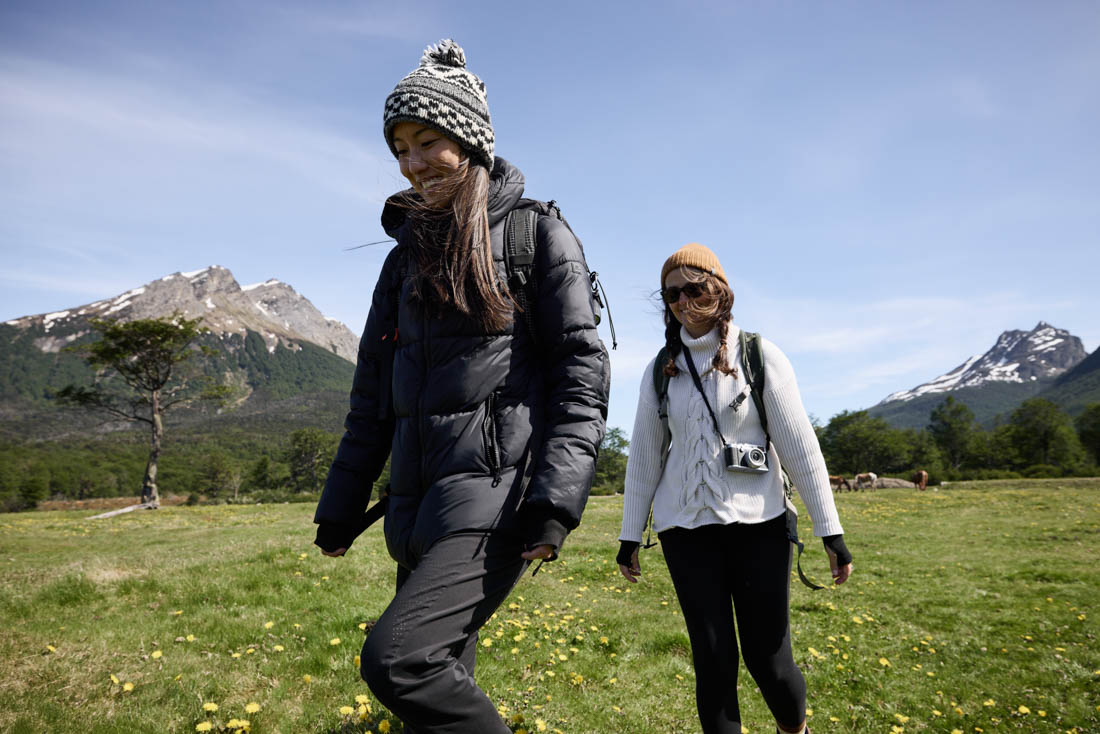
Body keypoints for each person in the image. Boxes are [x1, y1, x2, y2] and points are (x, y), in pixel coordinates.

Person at [313, 40, 609, 734]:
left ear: (468, 142)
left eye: (427, 141)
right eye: (399, 149)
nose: (413, 164)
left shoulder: (537, 235)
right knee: (437, 696)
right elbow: (370, 400)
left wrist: (555, 504)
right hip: (416, 514)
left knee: (398, 662)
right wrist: (340, 509)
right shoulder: (401, 263)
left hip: (497, 500)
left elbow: (580, 378)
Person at [616, 243, 852, 734]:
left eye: (694, 288)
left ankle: (796, 730)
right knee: (713, 659)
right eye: (672, 294)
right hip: (685, 531)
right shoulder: (661, 369)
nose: (683, 301)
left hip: (760, 526)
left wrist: (830, 532)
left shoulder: (759, 354)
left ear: (719, 291)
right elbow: (644, 457)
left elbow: (801, 448)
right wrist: (628, 536)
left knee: (769, 659)